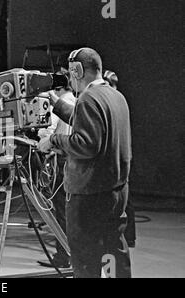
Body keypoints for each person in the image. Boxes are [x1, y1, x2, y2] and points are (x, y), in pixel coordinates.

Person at [38, 48, 132, 278]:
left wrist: (52, 140)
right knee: (114, 252)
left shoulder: (88, 98)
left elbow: (86, 144)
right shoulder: (114, 95)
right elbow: (90, 122)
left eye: (71, 74)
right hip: (116, 191)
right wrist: (57, 104)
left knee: (86, 259)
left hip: (89, 195)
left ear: (76, 71)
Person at [37, 72, 77, 269]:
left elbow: (47, 131)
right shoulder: (77, 101)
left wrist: (37, 134)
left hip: (61, 161)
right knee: (68, 212)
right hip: (73, 162)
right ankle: (70, 254)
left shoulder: (59, 105)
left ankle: (63, 256)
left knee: (61, 211)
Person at [103, 69, 136, 248]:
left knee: (124, 202)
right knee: (125, 200)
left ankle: (128, 236)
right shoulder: (120, 100)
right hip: (124, 155)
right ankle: (129, 237)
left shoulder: (114, 101)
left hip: (119, 157)